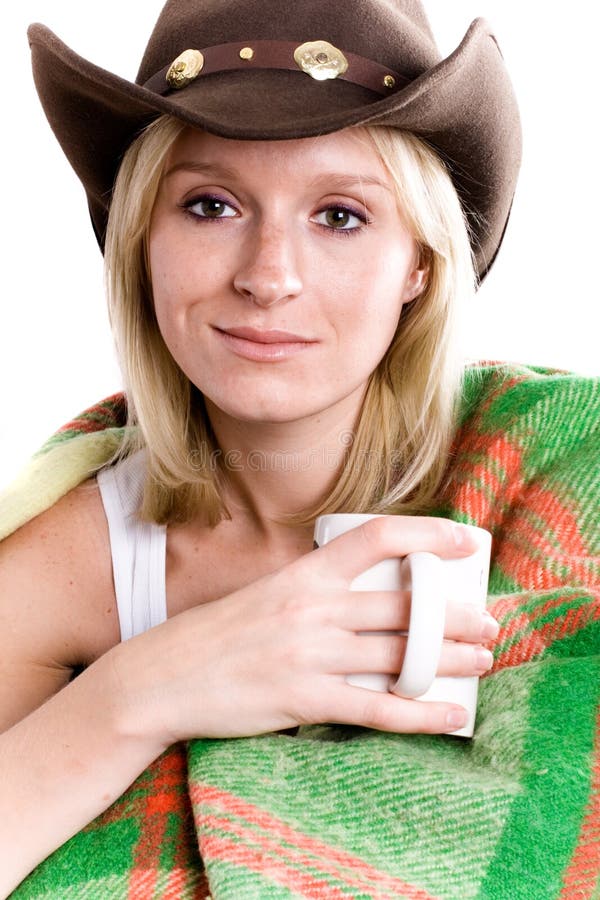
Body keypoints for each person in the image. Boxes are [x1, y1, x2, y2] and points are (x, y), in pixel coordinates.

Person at [2, 1, 597, 897]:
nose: (268, 274)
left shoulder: (556, 474)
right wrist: (145, 690)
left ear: (420, 264)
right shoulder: (65, 565)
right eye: (210, 204)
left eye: (341, 216)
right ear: (143, 245)